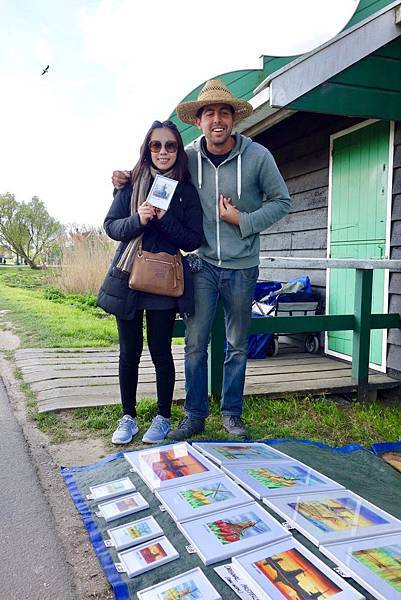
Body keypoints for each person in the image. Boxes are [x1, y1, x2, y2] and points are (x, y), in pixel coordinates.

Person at [112, 79, 291, 441]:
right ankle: (194, 415)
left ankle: (232, 414)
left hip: (243, 266)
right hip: (202, 264)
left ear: (234, 118)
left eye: (224, 112)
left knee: (237, 345)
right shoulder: (188, 156)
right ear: (199, 121)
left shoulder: (259, 158)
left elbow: (282, 202)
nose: (217, 120)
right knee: (195, 345)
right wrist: (125, 179)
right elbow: (155, 167)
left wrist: (243, 221)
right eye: (209, 113)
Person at [98, 120, 203, 445]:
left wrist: (163, 218)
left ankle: (162, 416)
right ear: (147, 149)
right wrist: (138, 220)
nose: (163, 151)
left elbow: (193, 239)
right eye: (156, 145)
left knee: (160, 352)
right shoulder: (130, 184)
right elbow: (111, 226)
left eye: (170, 145)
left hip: (163, 282)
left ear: (178, 151)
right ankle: (127, 416)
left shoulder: (185, 191)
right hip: (128, 278)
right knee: (129, 352)